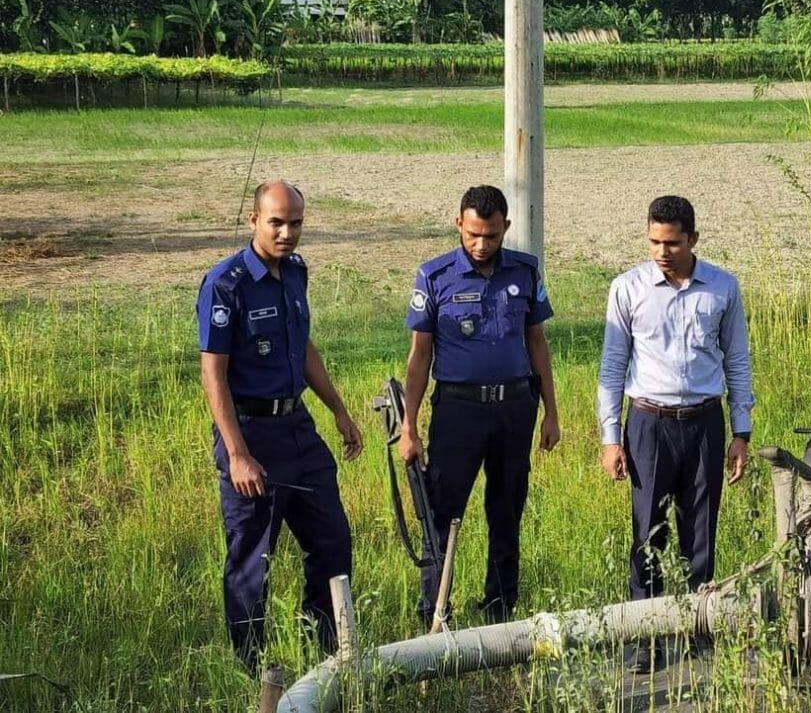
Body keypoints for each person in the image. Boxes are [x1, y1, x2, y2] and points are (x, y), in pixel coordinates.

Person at [197, 181, 363, 674]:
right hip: (251, 433)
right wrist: (238, 453)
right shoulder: (225, 284)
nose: (287, 232)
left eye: (295, 223)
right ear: (254, 221)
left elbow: (303, 346)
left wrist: (337, 408)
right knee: (253, 559)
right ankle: (252, 670)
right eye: (276, 222)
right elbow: (213, 373)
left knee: (332, 540)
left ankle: (327, 652)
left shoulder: (296, 272)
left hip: (298, 427)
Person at [597, 195, 754, 672]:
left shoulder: (723, 289)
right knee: (648, 533)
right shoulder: (627, 289)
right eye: (654, 242)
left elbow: (738, 361)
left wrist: (740, 430)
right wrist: (610, 437)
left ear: (693, 240)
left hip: (705, 423)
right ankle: (645, 638)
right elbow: (612, 366)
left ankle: (697, 630)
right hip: (648, 424)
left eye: (672, 242)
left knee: (700, 531)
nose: (662, 251)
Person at [398, 184, 560, 627]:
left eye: (491, 235)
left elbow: (537, 342)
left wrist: (551, 411)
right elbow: (419, 357)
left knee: (507, 508)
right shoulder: (434, 277)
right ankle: (435, 608)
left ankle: (500, 606)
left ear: (505, 227)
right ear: (458, 225)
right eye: (472, 234)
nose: (481, 244)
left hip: (514, 409)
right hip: (458, 412)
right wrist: (409, 426)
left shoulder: (525, 272)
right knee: (442, 511)